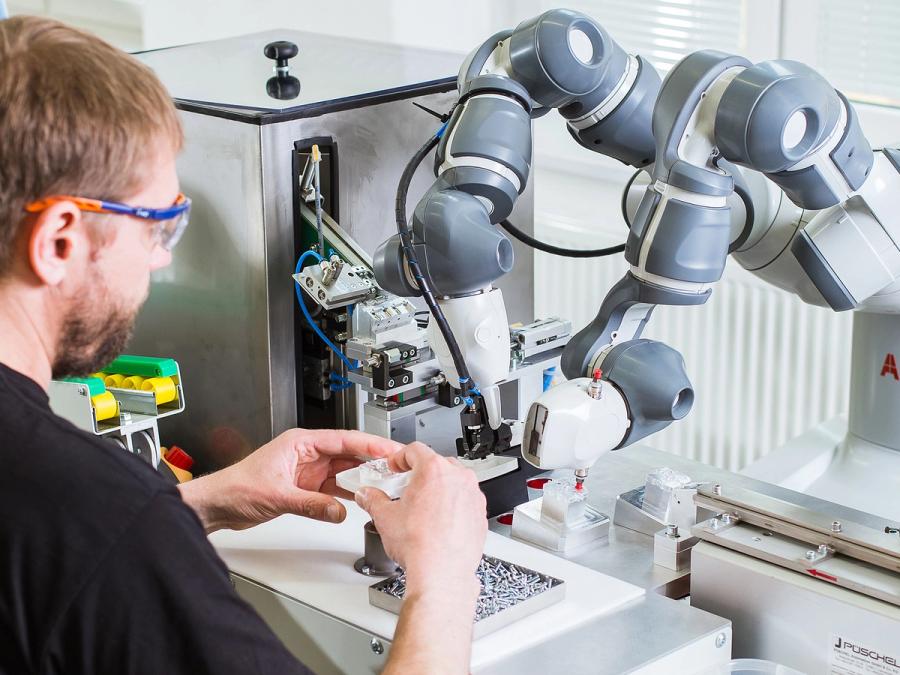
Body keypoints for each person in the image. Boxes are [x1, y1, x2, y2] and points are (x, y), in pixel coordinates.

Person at [0, 15, 487, 675]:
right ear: (59, 239)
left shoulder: (73, 510)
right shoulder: (95, 509)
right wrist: (446, 575)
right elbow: (90, 540)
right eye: (158, 227)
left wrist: (198, 502)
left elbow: (60, 558)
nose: (161, 262)